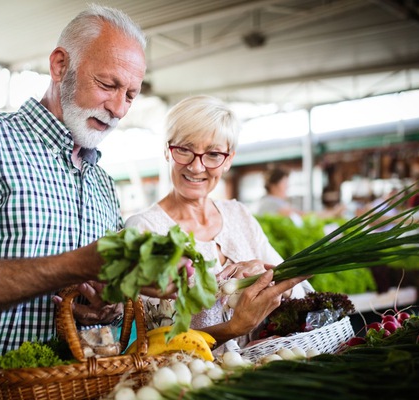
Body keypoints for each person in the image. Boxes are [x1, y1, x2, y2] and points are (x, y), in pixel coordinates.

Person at [0, 6, 176, 399]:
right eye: (107, 84)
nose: (118, 109)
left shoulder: (102, 182)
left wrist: (107, 305)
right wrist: (74, 264)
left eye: (131, 95)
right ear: (59, 64)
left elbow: (105, 297)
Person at [125, 95, 311, 352]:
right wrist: (233, 329)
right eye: (185, 150)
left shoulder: (238, 215)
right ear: (167, 151)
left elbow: (302, 291)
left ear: (228, 160)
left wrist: (270, 278)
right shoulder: (144, 229)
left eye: (213, 154)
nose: (197, 166)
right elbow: (151, 342)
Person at [257, 166, 345, 226]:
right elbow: (303, 216)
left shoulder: (277, 202)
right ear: (273, 186)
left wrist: (331, 213)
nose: (287, 186)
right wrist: (333, 213)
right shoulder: (269, 203)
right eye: (284, 183)